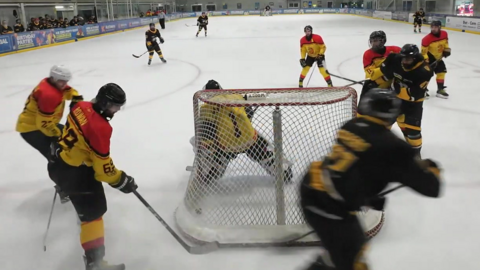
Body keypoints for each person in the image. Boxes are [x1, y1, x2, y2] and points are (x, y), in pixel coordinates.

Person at [300, 89, 442, 270]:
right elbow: (432, 188)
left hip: (310, 187)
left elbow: (358, 169)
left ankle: (331, 261)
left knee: (347, 251)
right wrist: (431, 169)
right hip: (330, 206)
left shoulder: (351, 125)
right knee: (352, 257)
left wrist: (367, 195)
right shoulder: (394, 147)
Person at [48, 83, 136, 270]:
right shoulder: (101, 127)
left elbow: (67, 130)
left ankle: (70, 196)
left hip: (58, 164)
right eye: (114, 106)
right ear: (104, 103)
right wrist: (121, 180)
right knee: (94, 215)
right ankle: (95, 264)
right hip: (76, 175)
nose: (117, 110)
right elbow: (103, 170)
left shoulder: (81, 106)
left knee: (85, 208)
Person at [189, 80, 293, 190]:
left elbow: (206, 134)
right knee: (259, 140)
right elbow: (248, 113)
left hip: (226, 146)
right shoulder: (236, 96)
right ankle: (282, 169)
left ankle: (211, 169)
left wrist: (204, 148)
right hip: (249, 140)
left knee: (195, 140)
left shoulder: (206, 108)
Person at [366, 44, 433, 155]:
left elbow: (415, 94)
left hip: (413, 104)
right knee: (382, 124)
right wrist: (375, 82)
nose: (404, 61)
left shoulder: (424, 71)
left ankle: (415, 156)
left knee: (412, 132)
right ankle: (378, 149)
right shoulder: (395, 59)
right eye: (403, 58)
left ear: (415, 59)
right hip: (394, 98)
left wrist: (397, 89)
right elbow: (387, 73)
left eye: (408, 59)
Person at [358, 30, 401, 116]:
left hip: (391, 86)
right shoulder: (368, 54)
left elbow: (408, 58)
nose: (374, 43)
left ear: (383, 41)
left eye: (376, 41)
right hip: (373, 85)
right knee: (362, 112)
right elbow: (372, 75)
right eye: (372, 41)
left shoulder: (394, 50)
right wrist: (385, 68)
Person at [421, 20, 451, 98]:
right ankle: (422, 90)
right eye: (432, 27)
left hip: (439, 58)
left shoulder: (444, 34)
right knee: (427, 75)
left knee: (441, 72)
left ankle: (440, 89)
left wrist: (446, 50)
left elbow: (446, 43)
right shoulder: (426, 39)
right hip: (430, 59)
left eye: (436, 27)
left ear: (439, 27)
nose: (433, 29)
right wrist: (426, 61)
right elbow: (423, 52)